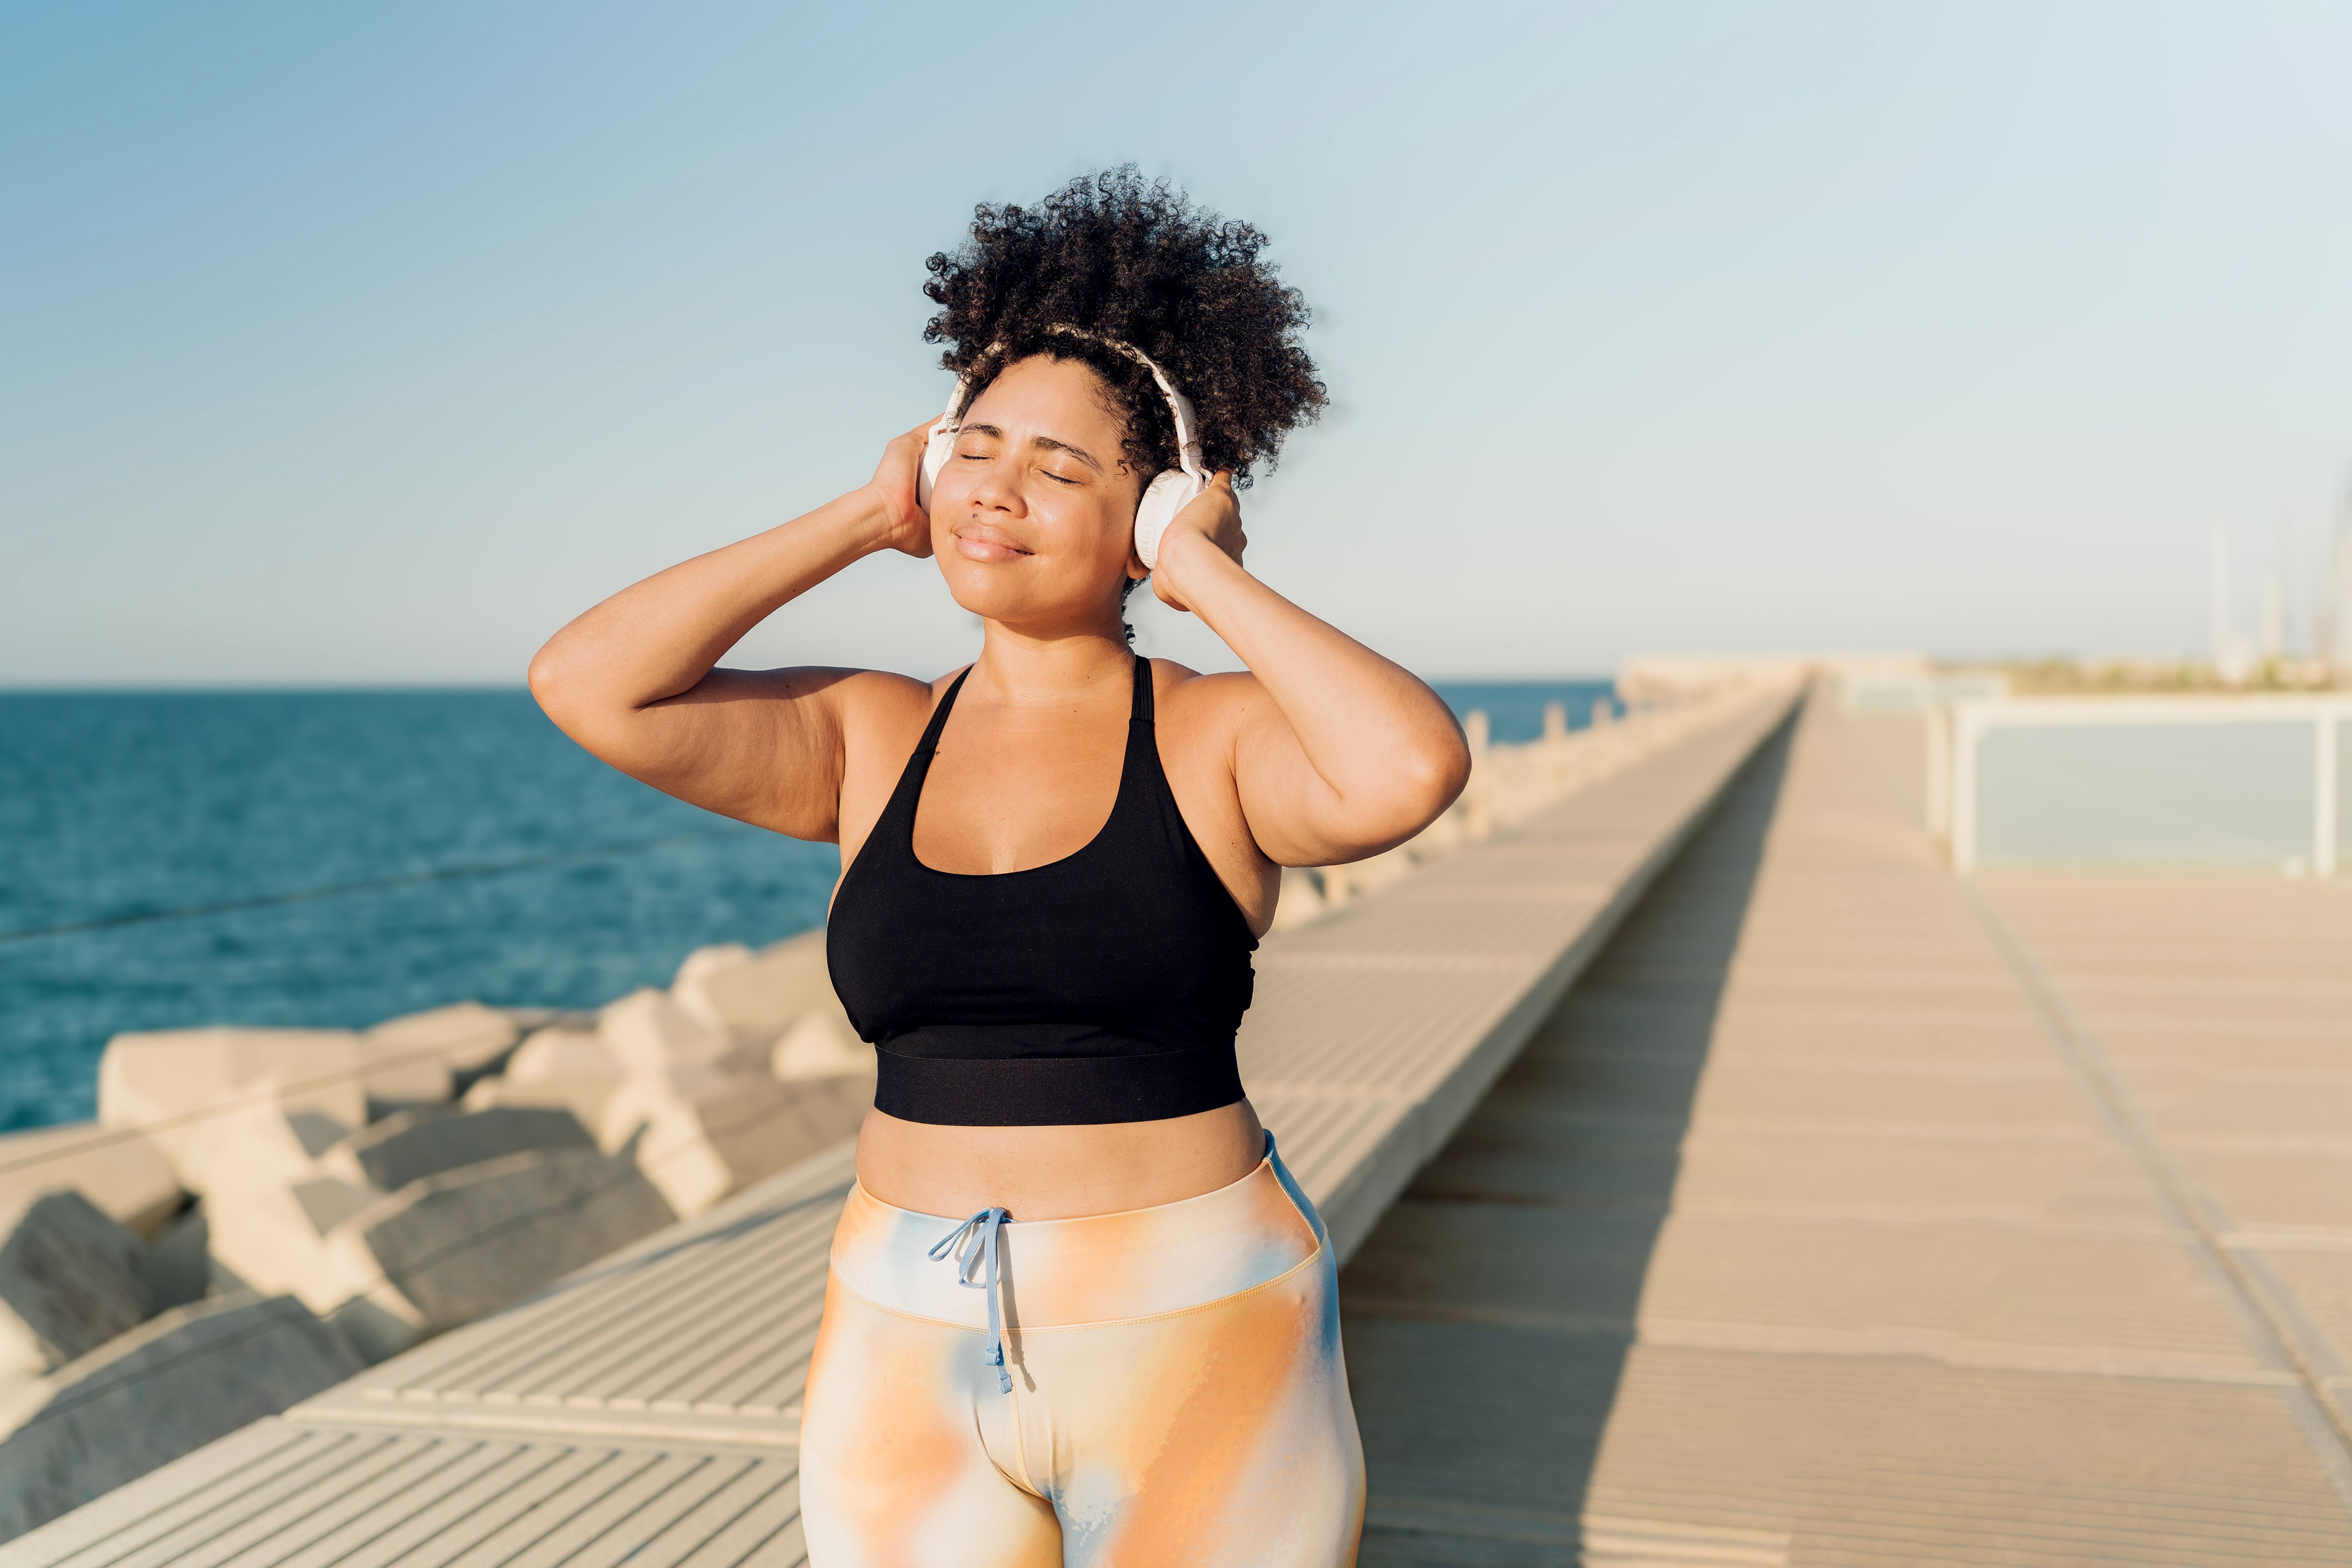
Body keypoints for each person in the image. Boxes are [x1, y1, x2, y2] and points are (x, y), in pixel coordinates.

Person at [529, 168, 1469, 1568]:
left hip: (1197, 1328)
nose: (1000, 490)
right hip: (900, 1329)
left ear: (1149, 510)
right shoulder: (870, 733)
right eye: (977, 442)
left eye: (1061, 465)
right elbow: (588, 684)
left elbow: (1409, 768)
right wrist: (860, 519)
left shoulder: (1213, 737)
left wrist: (1204, 574)